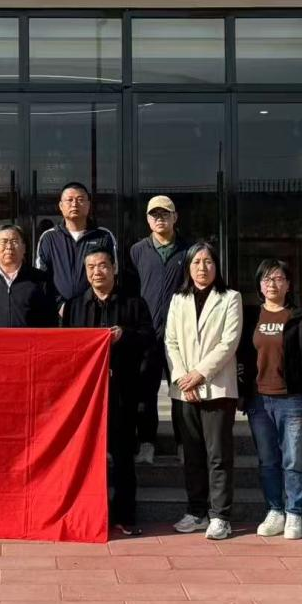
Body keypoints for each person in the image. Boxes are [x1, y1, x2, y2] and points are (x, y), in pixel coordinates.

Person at [64, 247, 152, 536]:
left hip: (122, 392)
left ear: (114, 268)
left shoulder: (134, 304)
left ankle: (124, 516)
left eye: (102, 265)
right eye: (91, 267)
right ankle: (89, 513)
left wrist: (124, 335)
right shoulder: (75, 306)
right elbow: (66, 349)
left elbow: (148, 339)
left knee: (123, 456)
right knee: (87, 456)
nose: (97, 272)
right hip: (86, 395)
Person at [236, 259, 302, 542]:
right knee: (268, 460)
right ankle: (275, 510)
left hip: (293, 400)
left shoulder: (300, 316)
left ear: (288, 284)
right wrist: (242, 391)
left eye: (278, 279)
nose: (272, 284)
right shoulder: (251, 316)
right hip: (259, 402)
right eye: (266, 279)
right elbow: (240, 357)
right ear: (259, 285)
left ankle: (294, 512)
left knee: (294, 458)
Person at [165, 241, 242, 541]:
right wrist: (183, 378)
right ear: (188, 267)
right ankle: (196, 511)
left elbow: (229, 342)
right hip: (185, 390)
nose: (202, 267)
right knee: (192, 454)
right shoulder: (178, 299)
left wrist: (199, 374)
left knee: (218, 455)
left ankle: (220, 515)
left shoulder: (230, 298)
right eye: (196, 262)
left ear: (216, 266)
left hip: (218, 388)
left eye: (208, 261)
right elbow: (171, 342)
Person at [126, 195, 190, 466]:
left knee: (181, 393)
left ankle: (184, 444)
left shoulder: (189, 251)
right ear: (148, 220)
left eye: (165, 214)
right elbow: (130, 292)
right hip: (147, 334)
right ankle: (146, 444)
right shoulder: (137, 251)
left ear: (175, 217)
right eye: (154, 215)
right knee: (145, 392)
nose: (159, 219)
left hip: (180, 335)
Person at [35, 182, 117, 308]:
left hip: (95, 309)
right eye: (70, 200)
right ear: (61, 206)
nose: (74, 204)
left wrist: (99, 303)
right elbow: (41, 278)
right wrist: (59, 305)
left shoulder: (103, 236)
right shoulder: (49, 238)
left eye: (80, 199)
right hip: (59, 312)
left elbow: (113, 274)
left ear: (88, 205)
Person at [0, 223, 58, 327]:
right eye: (4, 242)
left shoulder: (40, 278)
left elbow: (51, 318)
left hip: (29, 337)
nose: (9, 247)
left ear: (24, 248)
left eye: (14, 241)